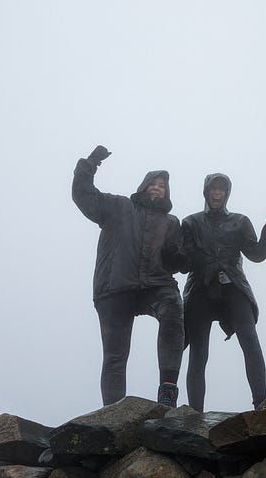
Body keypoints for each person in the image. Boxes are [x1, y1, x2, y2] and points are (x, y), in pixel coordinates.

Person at [72, 145, 185, 407]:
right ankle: (113, 412)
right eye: (153, 183)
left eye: (162, 186)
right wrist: (90, 164)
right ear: (144, 186)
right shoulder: (119, 206)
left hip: (155, 284)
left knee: (173, 308)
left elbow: (177, 260)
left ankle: (167, 392)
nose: (157, 188)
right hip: (115, 286)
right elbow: (83, 195)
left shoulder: (171, 223)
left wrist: (183, 258)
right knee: (114, 355)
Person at [182, 173, 266, 412]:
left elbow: (258, 254)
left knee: (250, 341)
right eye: (213, 189)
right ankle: (194, 415)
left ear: (227, 193)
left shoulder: (240, 221)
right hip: (200, 288)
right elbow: (184, 261)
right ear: (206, 192)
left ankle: (261, 405)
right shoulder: (191, 223)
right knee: (198, 351)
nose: (217, 193)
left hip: (234, 288)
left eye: (221, 189)